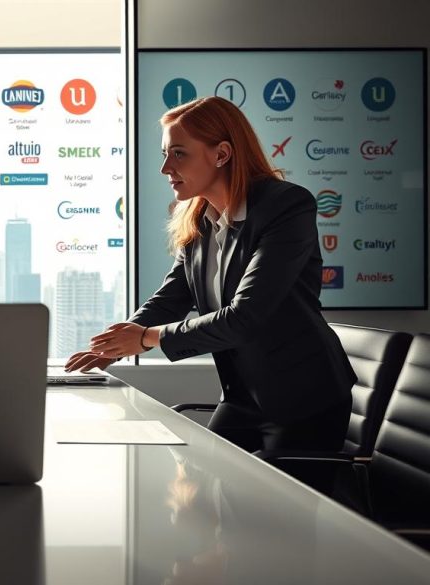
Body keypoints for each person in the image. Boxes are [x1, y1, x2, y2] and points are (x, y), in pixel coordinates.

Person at [66, 96, 356, 453]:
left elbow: (246, 316)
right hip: (242, 396)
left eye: (179, 154)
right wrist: (112, 347)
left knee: (266, 507)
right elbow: (171, 299)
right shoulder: (201, 219)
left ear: (221, 154)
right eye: (165, 154)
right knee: (202, 485)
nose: (165, 168)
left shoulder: (287, 206)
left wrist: (145, 339)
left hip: (304, 399)